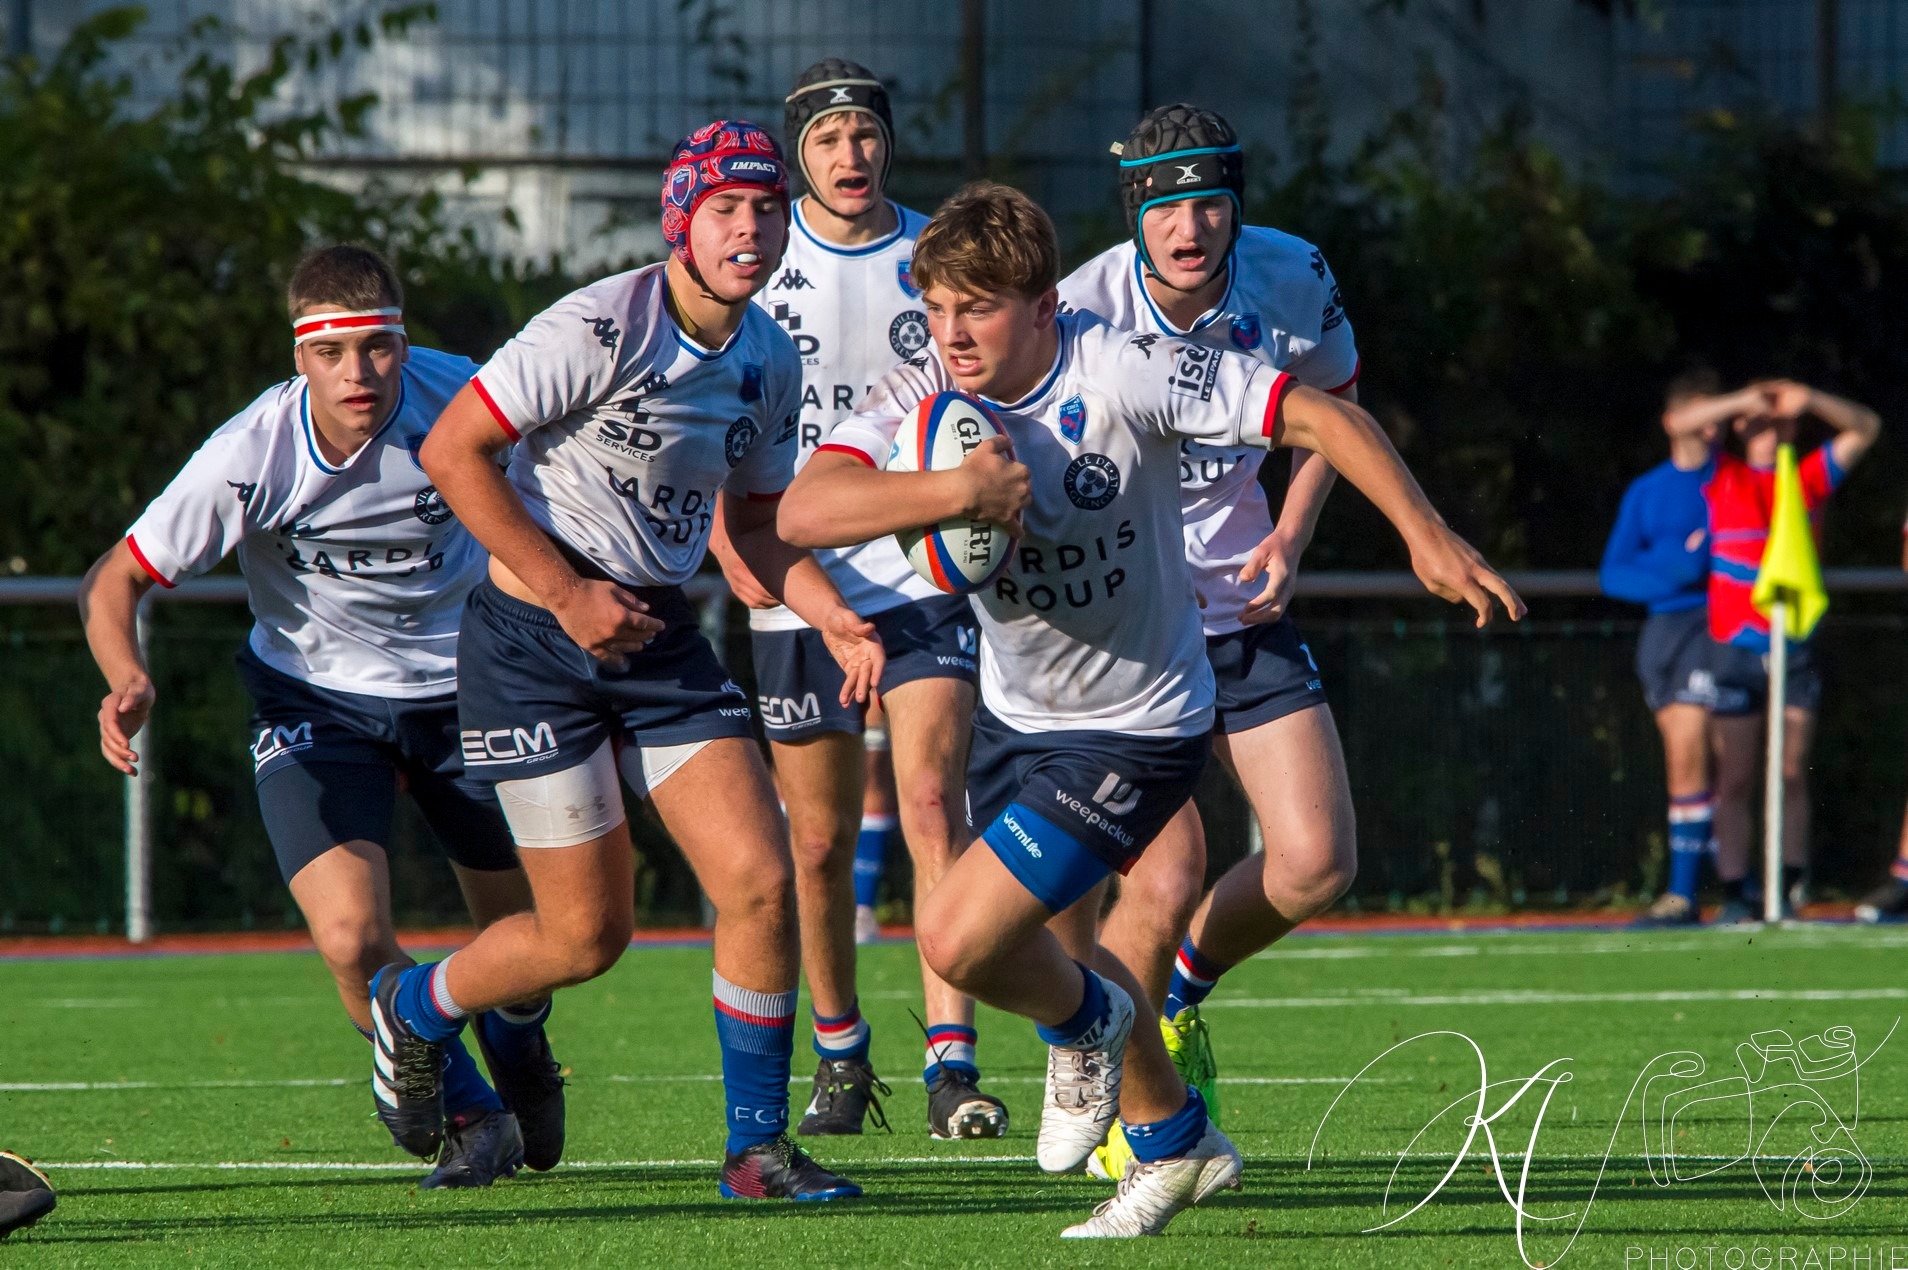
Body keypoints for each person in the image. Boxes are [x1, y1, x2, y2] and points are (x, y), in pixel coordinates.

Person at [779, 181, 1523, 1236]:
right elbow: (805, 507)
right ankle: (1174, 1141)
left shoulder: (1124, 366)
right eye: (938, 310)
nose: (953, 335)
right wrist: (955, 494)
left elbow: (1317, 411)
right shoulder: (927, 396)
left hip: (1142, 723)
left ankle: (1093, 1029)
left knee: (955, 936)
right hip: (1021, 718)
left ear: (1043, 307)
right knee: (999, 946)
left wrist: (1425, 533)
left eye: (978, 309)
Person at [374, 121, 876, 1202]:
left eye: (768, 208)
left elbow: (756, 527)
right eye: (726, 208)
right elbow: (452, 448)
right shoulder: (600, 323)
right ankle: (414, 1009)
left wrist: (832, 614)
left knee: (759, 878)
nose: (750, 228)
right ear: (681, 221)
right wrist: (566, 592)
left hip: (657, 638)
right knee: (588, 934)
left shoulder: (769, 358)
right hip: (532, 643)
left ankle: (756, 1152)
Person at [77, 246, 558, 1188]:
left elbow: (568, 475)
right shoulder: (250, 453)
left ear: (403, 342)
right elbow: (117, 577)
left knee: (534, 944)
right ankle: (469, 1109)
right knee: (347, 937)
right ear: (300, 355)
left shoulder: (463, 401)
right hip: (315, 700)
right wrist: (125, 674)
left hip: (473, 686)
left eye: (378, 348)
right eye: (333, 352)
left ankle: (523, 1042)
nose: (359, 374)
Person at [1051, 102, 1360, 1181]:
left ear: (1237, 205)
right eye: (1166, 205)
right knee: (1165, 868)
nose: (1189, 226)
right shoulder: (1077, 308)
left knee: (1319, 861)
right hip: (1127, 635)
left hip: (1244, 609)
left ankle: (1174, 997)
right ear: (1135, 211)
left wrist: (1291, 526)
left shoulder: (1290, 274)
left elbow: (1337, 405)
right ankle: (1136, 1125)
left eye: (1208, 202)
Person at [708, 60, 1005, 1141]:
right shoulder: (755, 271)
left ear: (888, 145)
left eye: (865, 135)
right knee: (821, 841)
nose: (850, 155)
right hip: (798, 582)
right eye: (828, 138)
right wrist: (727, 542)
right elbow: (709, 431)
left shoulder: (937, 259)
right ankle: (841, 1054)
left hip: (921, 573)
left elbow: (994, 388)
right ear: (800, 155)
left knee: (930, 803)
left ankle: (952, 1064)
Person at [1705, 379, 1879, 923]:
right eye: (1760, 419)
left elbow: (1866, 428)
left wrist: (1809, 399)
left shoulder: (1804, 478)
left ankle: (1790, 884)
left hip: (1793, 646)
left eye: (1780, 418)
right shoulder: (1723, 476)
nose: (1770, 423)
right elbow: (1678, 424)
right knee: (1734, 775)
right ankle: (1736, 889)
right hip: (1735, 645)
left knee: (1790, 771)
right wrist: (1745, 399)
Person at [1599, 373, 1758, 927]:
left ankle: (1742, 886)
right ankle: (1683, 894)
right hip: (1671, 632)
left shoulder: (1736, 481)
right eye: (1703, 412)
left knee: (1737, 769)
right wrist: (1677, 571)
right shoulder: (1649, 490)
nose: (1714, 423)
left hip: (1730, 630)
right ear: (1676, 420)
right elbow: (1614, 573)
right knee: (1686, 754)